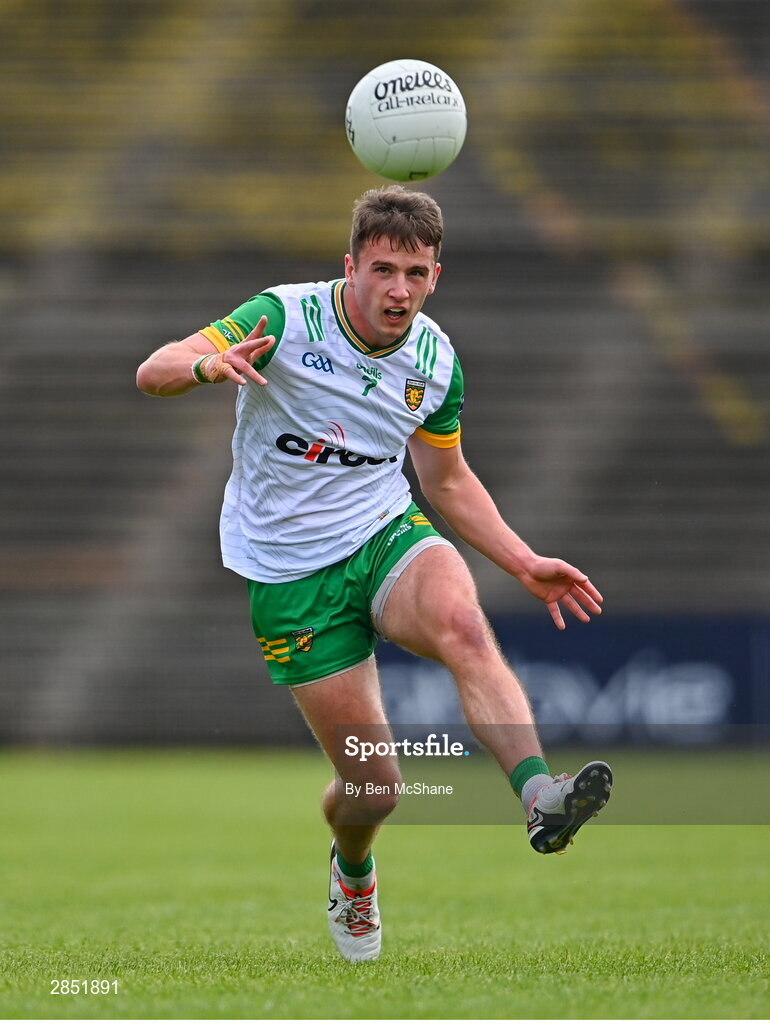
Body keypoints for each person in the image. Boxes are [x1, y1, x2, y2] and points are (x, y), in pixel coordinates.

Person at [136, 184, 612, 963]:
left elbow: (447, 481)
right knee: (375, 789)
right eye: (383, 269)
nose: (399, 290)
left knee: (464, 623)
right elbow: (154, 370)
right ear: (349, 266)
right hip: (290, 574)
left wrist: (523, 561)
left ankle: (540, 798)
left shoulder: (435, 359)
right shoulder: (285, 317)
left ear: (435, 277)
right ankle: (353, 872)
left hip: (383, 532)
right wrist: (209, 364)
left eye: (416, 274)